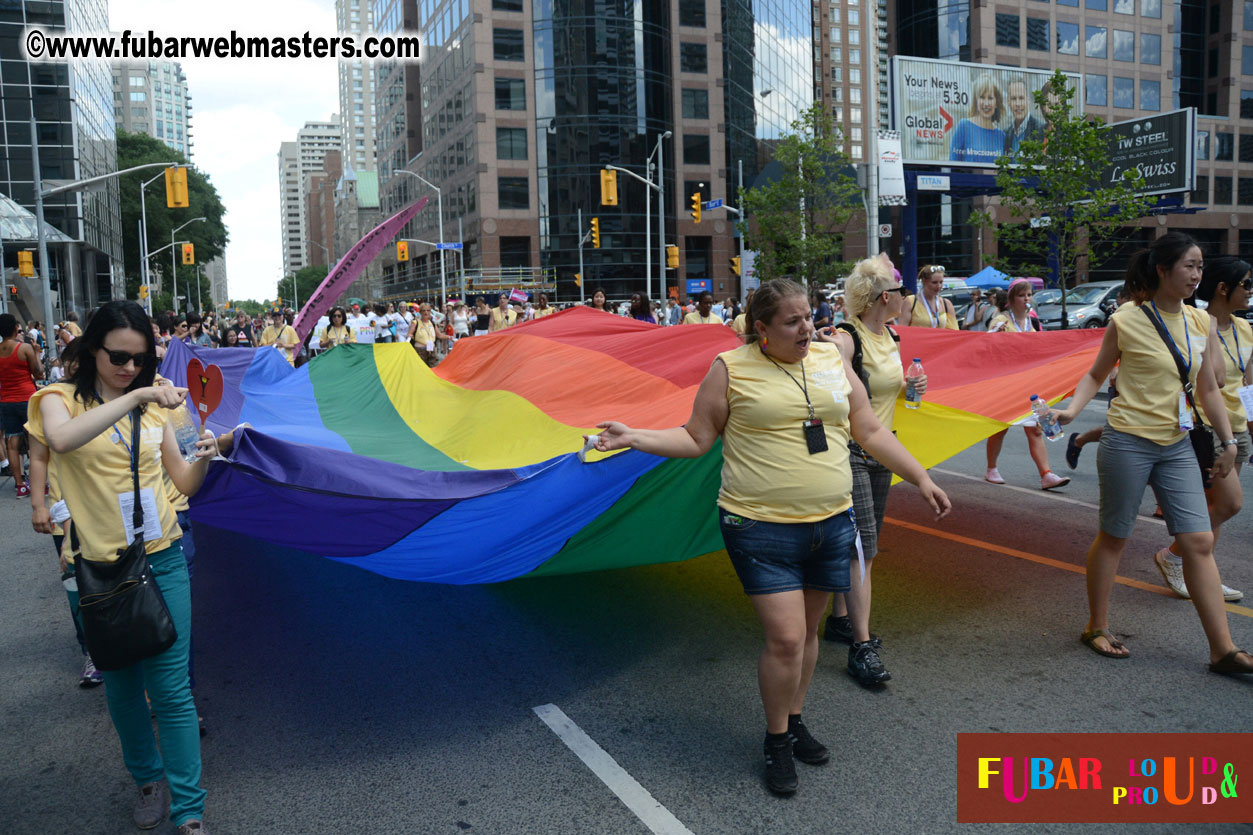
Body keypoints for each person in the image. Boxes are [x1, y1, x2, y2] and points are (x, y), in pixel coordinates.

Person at [585, 278, 951, 795]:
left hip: (830, 521)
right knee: (784, 638)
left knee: (806, 636)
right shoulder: (730, 370)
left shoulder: (830, 360)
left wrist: (921, 478)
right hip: (758, 526)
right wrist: (633, 437)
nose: (808, 328)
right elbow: (696, 438)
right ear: (761, 329)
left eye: (809, 316)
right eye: (793, 321)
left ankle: (795, 718)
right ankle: (777, 739)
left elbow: (868, 429)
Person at [27, 300, 221, 833]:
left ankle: (189, 810)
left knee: (172, 690)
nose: (130, 368)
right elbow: (62, 441)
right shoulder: (56, 400)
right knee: (122, 687)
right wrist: (136, 396)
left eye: (140, 361)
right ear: (93, 349)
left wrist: (204, 451)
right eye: (118, 356)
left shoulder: (159, 410)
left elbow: (184, 484)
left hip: (161, 556)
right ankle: (147, 780)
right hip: (99, 567)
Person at [1052, 233, 1251, 675]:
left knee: (1198, 541)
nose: (1197, 275)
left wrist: (1228, 441)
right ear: (1162, 270)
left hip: (1178, 443)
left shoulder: (1200, 324)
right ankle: (1096, 626)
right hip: (1127, 440)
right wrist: (1070, 411)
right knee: (1115, 536)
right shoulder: (1127, 318)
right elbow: (1096, 373)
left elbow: (1208, 390)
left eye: (1200, 267)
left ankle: (1223, 649)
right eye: (1189, 266)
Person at [823, 256, 920, 685]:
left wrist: (909, 386)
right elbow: (836, 359)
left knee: (865, 545)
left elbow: (885, 387)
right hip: (850, 450)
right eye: (900, 292)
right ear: (886, 297)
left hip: (881, 449)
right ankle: (860, 646)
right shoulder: (847, 336)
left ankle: (840, 619)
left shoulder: (891, 334)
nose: (904, 298)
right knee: (862, 549)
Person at [1151, 256, 1251, 603]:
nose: (1251, 292)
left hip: (1237, 429)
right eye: (1247, 284)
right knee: (1229, 503)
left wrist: (1248, 428)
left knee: (1218, 509)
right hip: (1208, 426)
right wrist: (1210, 330)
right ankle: (1176, 557)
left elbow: (1247, 383)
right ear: (1224, 289)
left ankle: (1201, 572)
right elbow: (1218, 379)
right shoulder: (1197, 323)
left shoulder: (1246, 329)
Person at [28, 339, 101, 687]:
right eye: (71, 360)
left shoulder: (105, 398)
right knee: (76, 583)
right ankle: (91, 652)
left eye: (83, 361)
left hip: (103, 510)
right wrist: (39, 505)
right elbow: (39, 455)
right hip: (63, 510)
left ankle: (119, 646)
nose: (76, 367)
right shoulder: (53, 400)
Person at [983, 279, 1070, 490]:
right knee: (1000, 428)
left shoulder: (1032, 321)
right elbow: (986, 345)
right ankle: (991, 468)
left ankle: (1046, 474)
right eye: (1022, 295)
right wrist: (996, 335)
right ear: (1012, 299)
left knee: (1035, 429)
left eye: (1029, 295)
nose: (1027, 299)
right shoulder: (1001, 319)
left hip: (1029, 383)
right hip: (1005, 383)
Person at [1, 313, 44, 497]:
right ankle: (38, 483)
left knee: (12, 442)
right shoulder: (24, 348)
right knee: (35, 441)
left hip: (6, 401)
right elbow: (39, 373)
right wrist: (36, 352)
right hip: (27, 399)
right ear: (14, 329)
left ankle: (20, 485)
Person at [949, 73, 1007, 164]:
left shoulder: (1001, 136)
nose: (986, 103)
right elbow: (952, 164)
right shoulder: (964, 126)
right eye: (982, 97)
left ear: (996, 103)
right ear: (976, 100)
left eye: (990, 98)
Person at [1003, 79, 1045, 155]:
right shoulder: (1006, 134)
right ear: (1008, 102)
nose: (1018, 104)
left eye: (1021, 98)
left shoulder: (1040, 130)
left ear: (1028, 100)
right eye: (1013, 99)